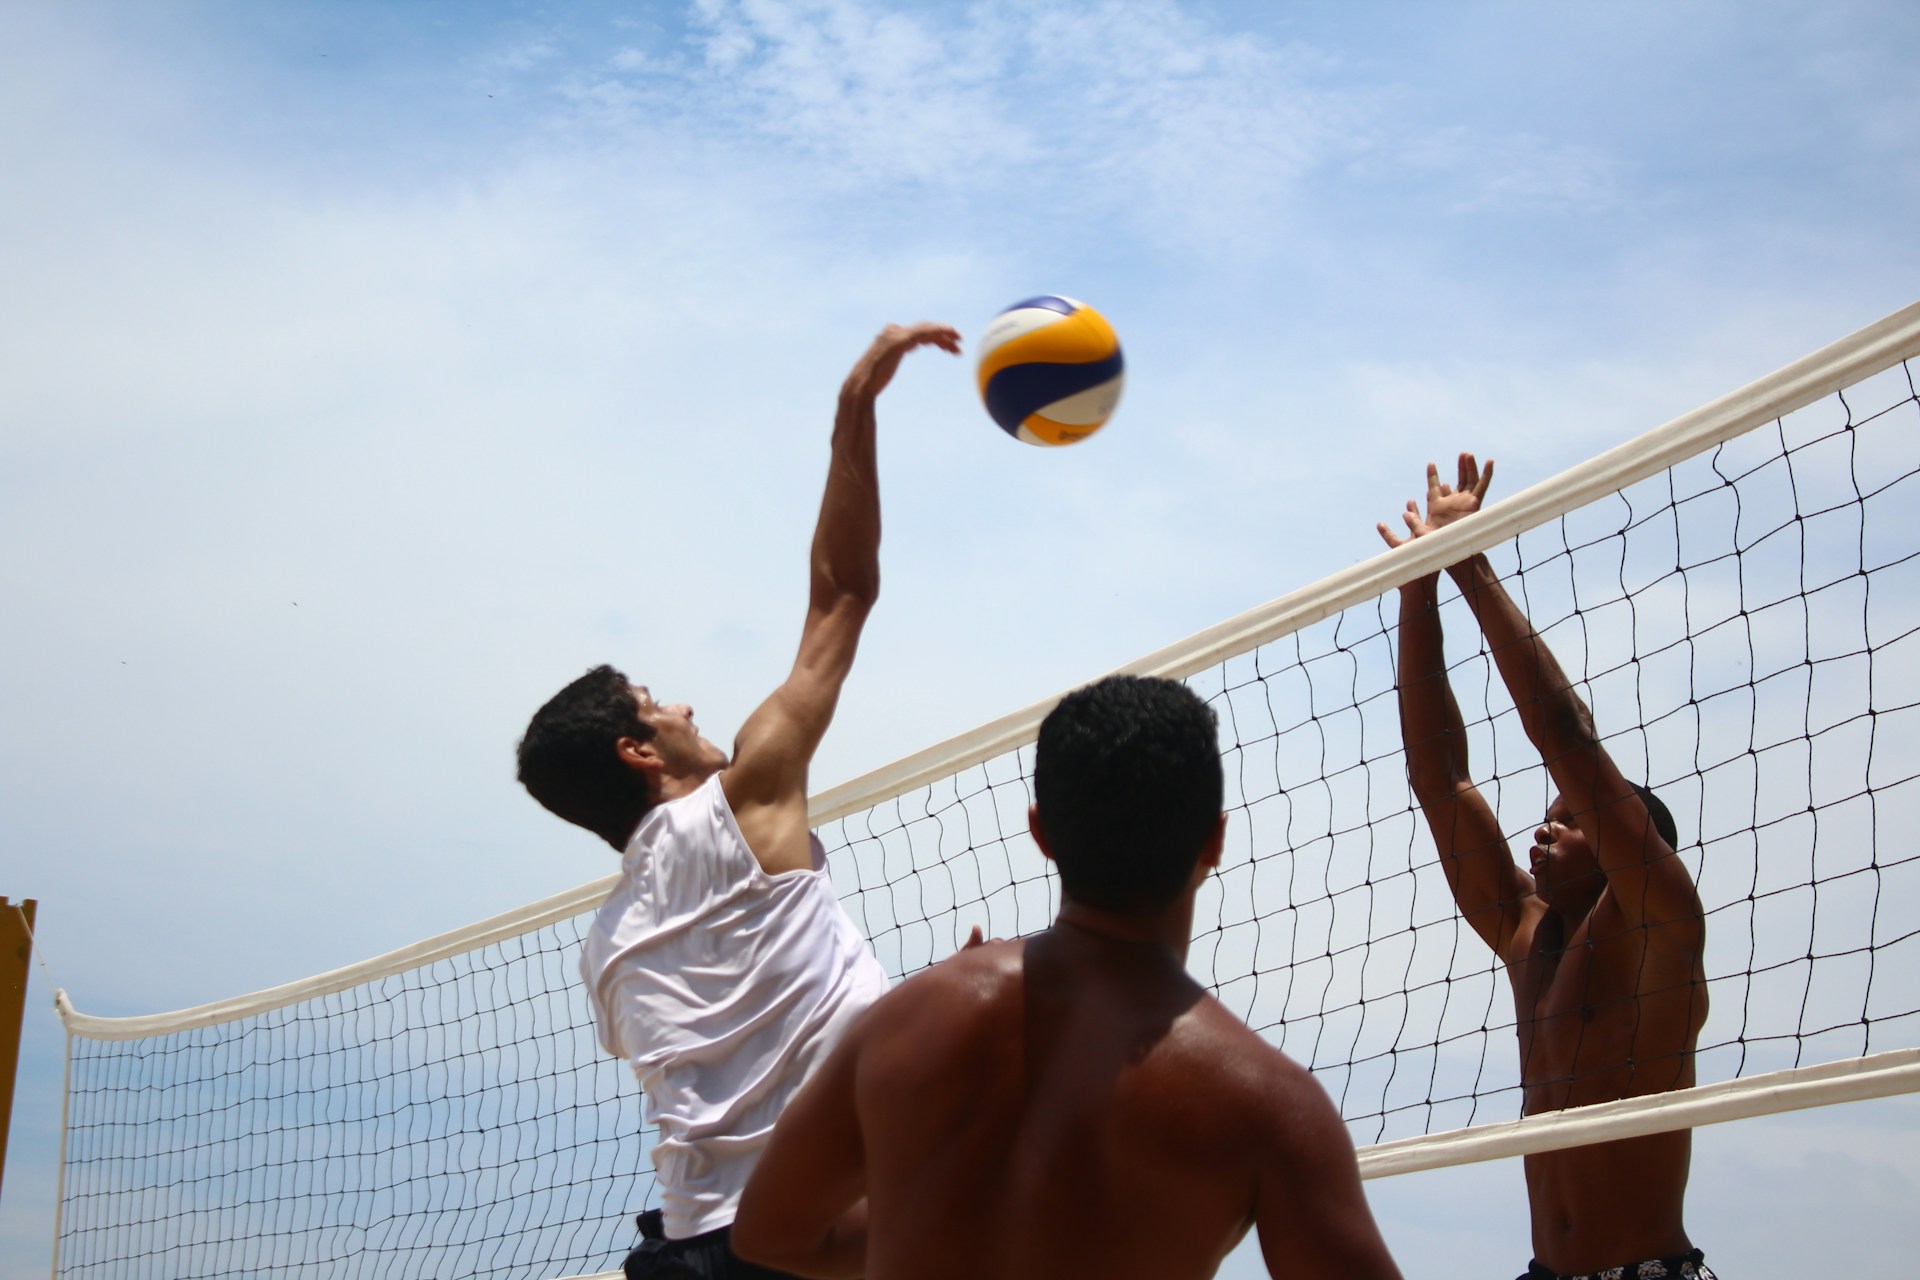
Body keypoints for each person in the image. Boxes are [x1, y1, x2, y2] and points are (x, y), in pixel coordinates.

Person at [515, 322, 962, 1279]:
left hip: (693, 1249)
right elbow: (842, 593)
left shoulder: (606, 949)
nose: (681, 703)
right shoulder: (742, 802)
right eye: (655, 704)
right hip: (808, 1238)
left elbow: (751, 1053)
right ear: (639, 750)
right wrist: (855, 411)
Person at [731, 674, 1405, 1280]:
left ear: (1040, 832)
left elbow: (769, 1234)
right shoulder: (1272, 1107)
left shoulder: (908, 1021)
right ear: (1215, 841)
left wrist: (927, 1200)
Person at [1378, 454, 1714, 1280]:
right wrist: (1417, 588)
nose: (1546, 828)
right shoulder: (1528, 937)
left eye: (1571, 822)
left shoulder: (1659, 922)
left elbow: (1567, 737)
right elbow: (1441, 782)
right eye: (1550, 817)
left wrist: (1469, 559)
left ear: (1629, 847)